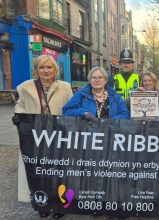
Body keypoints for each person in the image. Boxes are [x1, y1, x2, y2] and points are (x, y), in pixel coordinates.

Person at [12, 55, 73, 219]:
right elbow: (20, 105)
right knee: (39, 171)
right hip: (35, 138)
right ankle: (43, 203)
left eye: (49, 67)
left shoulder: (65, 87)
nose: (46, 71)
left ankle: (60, 205)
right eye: (42, 67)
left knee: (58, 171)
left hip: (59, 137)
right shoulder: (26, 87)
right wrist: (19, 116)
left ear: (55, 70)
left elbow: (71, 108)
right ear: (36, 70)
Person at [62, 66, 130, 120]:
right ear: (90, 80)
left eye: (100, 77)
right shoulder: (81, 94)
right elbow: (66, 110)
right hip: (88, 134)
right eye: (94, 77)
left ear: (105, 80)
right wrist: (83, 113)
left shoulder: (115, 96)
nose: (97, 80)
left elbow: (125, 114)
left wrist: (111, 121)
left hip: (110, 134)